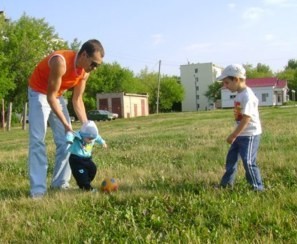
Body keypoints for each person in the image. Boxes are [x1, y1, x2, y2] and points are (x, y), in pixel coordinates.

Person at [28, 39, 104, 198]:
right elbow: (50, 97)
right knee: (37, 141)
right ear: (84, 54)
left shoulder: (85, 72)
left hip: (56, 95)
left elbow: (77, 100)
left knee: (66, 141)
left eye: (97, 65)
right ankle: (38, 190)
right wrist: (67, 125)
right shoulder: (60, 62)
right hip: (39, 93)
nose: (94, 68)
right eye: (94, 63)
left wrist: (86, 127)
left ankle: (60, 183)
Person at [216, 64, 264, 191]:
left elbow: (246, 119)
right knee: (231, 159)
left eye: (227, 82)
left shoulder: (248, 96)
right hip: (241, 134)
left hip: (250, 135)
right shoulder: (239, 94)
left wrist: (233, 135)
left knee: (248, 161)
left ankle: (257, 188)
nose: (225, 86)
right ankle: (226, 185)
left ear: (236, 79)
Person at [66, 121, 107, 191]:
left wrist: (103, 142)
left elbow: (98, 137)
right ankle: (87, 188)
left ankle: (83, 184)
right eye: (89, 139)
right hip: (76, 160)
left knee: (93, 169)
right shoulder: (78, 135)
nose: (91, 141)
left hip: (87, 159)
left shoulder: (92, 137)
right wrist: (69, 140)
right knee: (81, 175)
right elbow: (70, 133)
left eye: (92, 139)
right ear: (83, 135)